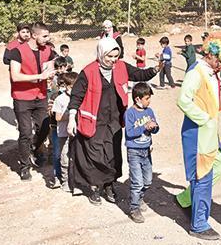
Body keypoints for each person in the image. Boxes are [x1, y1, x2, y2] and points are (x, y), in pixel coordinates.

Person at [66, 38, 159, 205]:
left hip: (114, 121)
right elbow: (76, 96)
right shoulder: (88, 71)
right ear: (101, 54)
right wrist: (72, 118)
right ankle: (94, 187)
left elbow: (140, 74)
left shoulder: (121, 67)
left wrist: (156, 69)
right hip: (94, 120)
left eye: (116, 56)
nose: (113, 60)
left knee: (112, 154)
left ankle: (109, 185)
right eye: (110, 56)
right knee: (94, 155)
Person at [175, 34, 221, 240]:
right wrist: (205, 119)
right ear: (210, 55)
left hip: (209, 134)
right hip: (198, 135)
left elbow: (211, 101)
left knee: (217, 168)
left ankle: (184, 199)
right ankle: (198, 224)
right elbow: (183, 101)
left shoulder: (211, 73)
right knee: (203, 178)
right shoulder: (196, 72)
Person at [8, 22, 57, 181]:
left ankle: (34, 148)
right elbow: (15, 76)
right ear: (34, 35)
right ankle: (24, 166)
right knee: (25, 133)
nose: (48, 38)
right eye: (45, 36)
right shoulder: (16, 51)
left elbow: (51, 63)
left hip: (41, 96)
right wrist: (39, 77)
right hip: (22, 97)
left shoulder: (48, 49)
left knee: (44, 128)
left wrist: (51, 71)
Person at [125, 83, 159, 223]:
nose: (148, 101)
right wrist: (144, 127)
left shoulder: (149, 111)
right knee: (137, 182)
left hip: (146, 150)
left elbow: (156, 129)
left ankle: (139, 198)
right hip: (134, 151)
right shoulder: (130, 113)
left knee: (148, 180)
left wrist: (153, 128)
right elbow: (129, 132)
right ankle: (134, 208)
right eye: (146, 98)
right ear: (137, 99)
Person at [51, 72, 77, 192]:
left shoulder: (79, 97)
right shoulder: (60, 99)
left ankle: (75, 181)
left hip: (77, 134)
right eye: (71, 87)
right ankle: (65, 181)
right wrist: (71, 114)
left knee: (76, 157)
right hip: (63, 134)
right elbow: (57, 117)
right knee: (64, 157)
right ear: (66, 86)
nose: (73, 90)